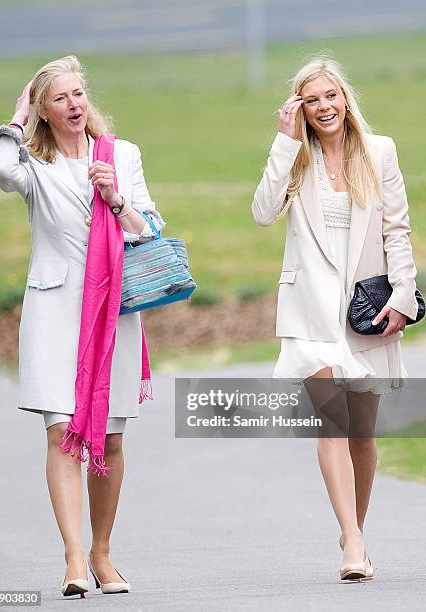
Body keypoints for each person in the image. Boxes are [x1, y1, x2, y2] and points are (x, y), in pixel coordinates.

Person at [0, 55, 164, 597]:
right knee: (63, 433)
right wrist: (15, 119)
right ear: (44, 110)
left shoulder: (121, 155)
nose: (73, 105)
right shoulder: (32, 164)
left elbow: (152, 229)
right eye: (59, 97)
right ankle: (71, 557)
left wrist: (117, 200)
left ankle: (102, 553)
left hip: (112, 313)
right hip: (53, 310)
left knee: (109, 439)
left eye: (78, 95)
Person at [251, 56, 419, 581]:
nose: (323, 107)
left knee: (363, 436)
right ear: (299, 107)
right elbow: (261, 212)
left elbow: (398, 230)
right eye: (312, 99)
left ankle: (355, 533)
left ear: (345, 99)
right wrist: (283, 142)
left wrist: (404, 295)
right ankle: (352, 545)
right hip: (308, 315)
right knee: (333, 425)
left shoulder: (380, 151)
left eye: (331, 96)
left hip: (366, 312)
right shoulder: (294, 158)